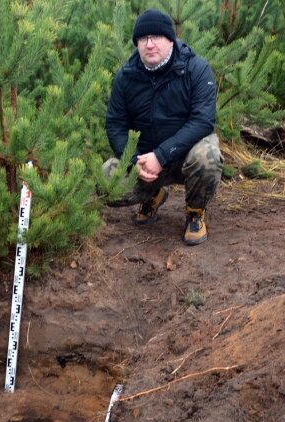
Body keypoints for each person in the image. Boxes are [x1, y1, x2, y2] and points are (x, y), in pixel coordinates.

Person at [103, 8, 223, 246]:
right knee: (106, 177)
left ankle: (195, 212)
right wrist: (134, 161)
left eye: (156, 37)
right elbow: (115, 124)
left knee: (207, 156)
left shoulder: (195, 69)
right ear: (137, 43)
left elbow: (203, 121)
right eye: (143, 38)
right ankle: (154, 194)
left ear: (170, 39)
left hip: (184, 156)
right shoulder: (126, 77)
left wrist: (161, 155)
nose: (149, 44)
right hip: (144, 161)